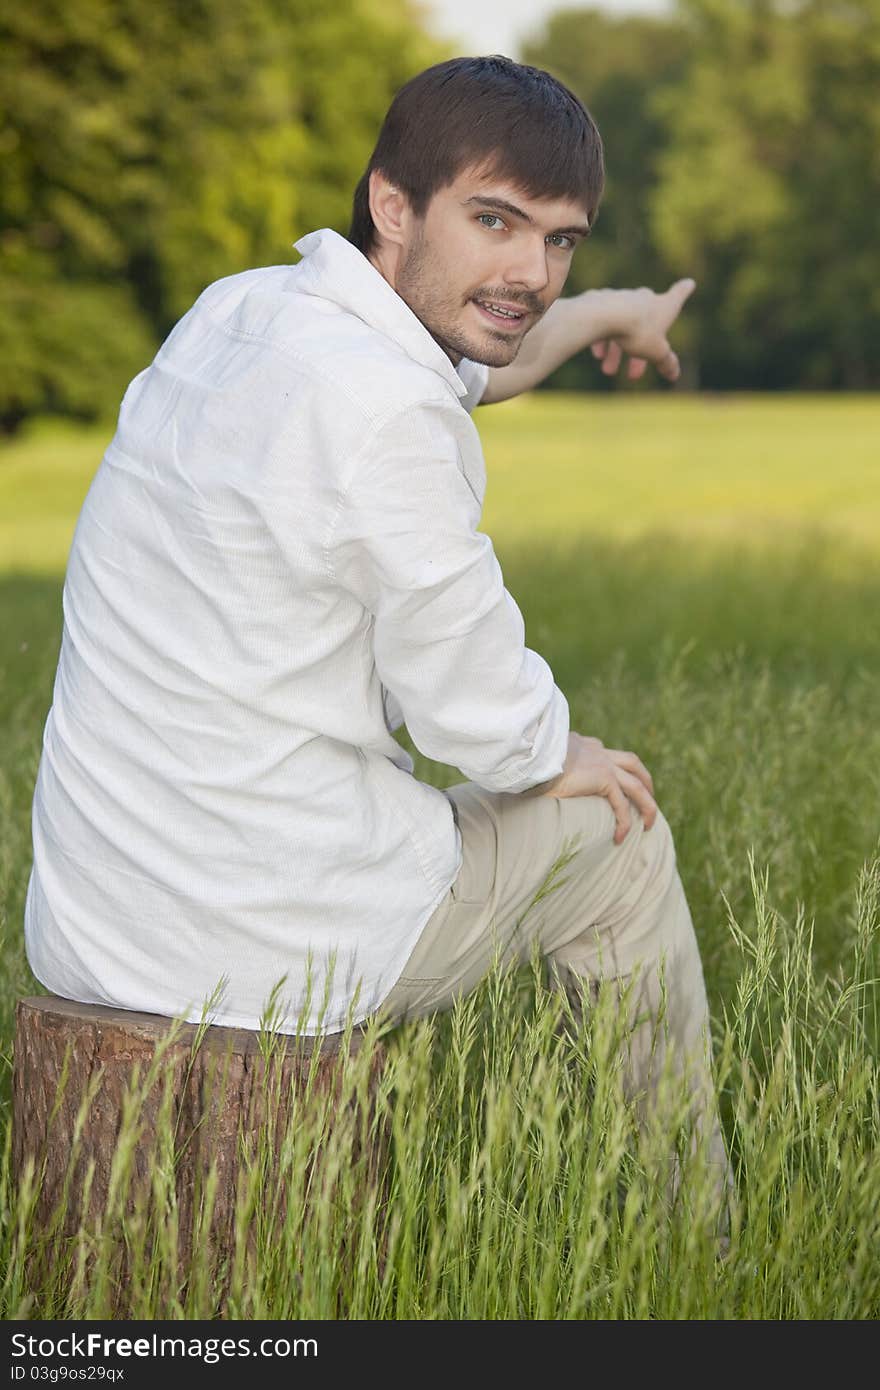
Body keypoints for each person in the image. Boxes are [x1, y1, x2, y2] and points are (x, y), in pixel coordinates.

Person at [24, 55, 729, 1206]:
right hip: (254, 951)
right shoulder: (383, 419)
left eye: (561, 242)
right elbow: (483, 718)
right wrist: (560, 756)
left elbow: (459, 367)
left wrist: (614, 315)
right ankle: (695, 1238)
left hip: (101, 921)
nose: (530, 272)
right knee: (620, 838)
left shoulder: (247, 313)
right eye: (495, 221)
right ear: (392, 204)